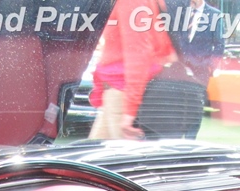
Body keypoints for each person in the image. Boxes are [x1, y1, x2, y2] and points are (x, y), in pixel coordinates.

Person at [88, 0, 177, 140]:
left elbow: (138, 54)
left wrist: (129, 112)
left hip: (121, 94)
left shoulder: (132, 2)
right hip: (118, 93)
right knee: (95, 149)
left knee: (112, 151)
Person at [173, 0, 225, 138]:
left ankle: (190, 141)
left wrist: (210, 66)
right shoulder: (180, 13)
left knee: (195, 108)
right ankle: (176, 140)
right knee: (177, 105)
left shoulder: (215, 15)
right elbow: (173, 37)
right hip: (179, 67)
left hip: (200, 70)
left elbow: (219, 44)